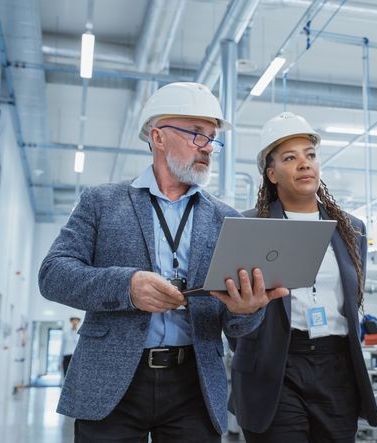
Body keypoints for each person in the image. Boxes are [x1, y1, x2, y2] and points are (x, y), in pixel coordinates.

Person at [39, 82, 287, 442]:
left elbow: (236, 328)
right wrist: (127, 287)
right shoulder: (102, 202)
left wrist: (246, 310)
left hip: (194, 385)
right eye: (196, 135)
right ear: (158, 137)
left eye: (212, 139)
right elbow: (53, 274)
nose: (208, 148)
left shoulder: (226, 219)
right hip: (111, 381)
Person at [229, 112, 377, 442]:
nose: (304, 164)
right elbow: (233, 309)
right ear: (271, 174)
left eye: (310, 155)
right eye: (290, 158)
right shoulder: (249, 226)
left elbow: (354, 300)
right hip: (274, 368)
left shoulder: (352, 229)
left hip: (336, 367)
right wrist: (255, 347)